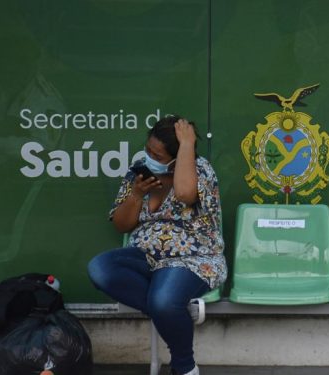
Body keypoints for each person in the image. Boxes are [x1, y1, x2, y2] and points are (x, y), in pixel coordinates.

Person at [87, 115, 225, 375]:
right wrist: (137, 194)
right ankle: (172, 311)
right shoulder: (140, 170)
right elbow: (121, 224)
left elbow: (185, 194)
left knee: (163, 300)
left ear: (178, 156)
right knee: (100, 268)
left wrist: (187, 146)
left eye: (157, 155)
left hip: (193, 259)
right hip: (146, 256)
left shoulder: (201, 169)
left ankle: (184, 366)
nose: (148, 156)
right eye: (148, 149)